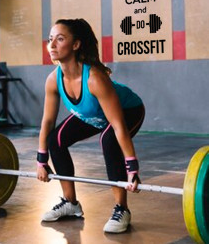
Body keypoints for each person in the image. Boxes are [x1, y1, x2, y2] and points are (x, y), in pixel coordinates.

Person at [36, 18, 145, 233]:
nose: (52, 45)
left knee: (109, 139)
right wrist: (41, 160)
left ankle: (122, 209)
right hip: (92, 115)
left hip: (128, 111)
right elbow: (47, 121)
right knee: (55, 140)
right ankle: (70, 203)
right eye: (50, 40)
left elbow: (118, 125)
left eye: (60, 39)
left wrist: (132, 169)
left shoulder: (94, 78)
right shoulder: (53, 80)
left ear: (75, 45)